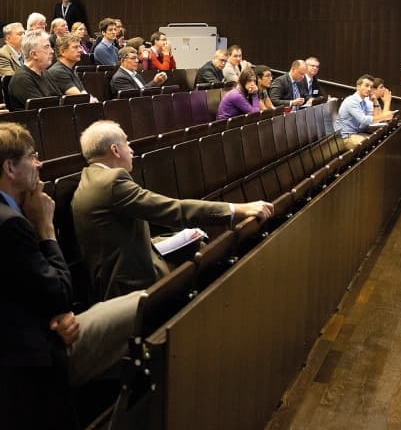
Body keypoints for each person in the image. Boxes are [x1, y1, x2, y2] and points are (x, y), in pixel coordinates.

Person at [0, 122, 140, 430]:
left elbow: (29, 290)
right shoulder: (7, 222)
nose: (39, 164)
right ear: (9, 167)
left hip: (25, 338)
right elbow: (60, 291)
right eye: (32, 157)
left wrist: (56, 313)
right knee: (147, 305)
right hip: (26, 362)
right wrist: (46, 226)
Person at [73, 120, 273, 301]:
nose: (132, 150)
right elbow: (173, 210)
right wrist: (237, 209)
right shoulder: (111, 182)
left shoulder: (92, 178)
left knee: (198, 244)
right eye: (128, 143)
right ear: (115, 150)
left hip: (126, 267)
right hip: (129, 285)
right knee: (213, 264)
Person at [6, 30, 60, 110]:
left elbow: (60, 100)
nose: (52, 51)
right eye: (47, 47)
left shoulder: (45, 73)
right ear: (34, 54)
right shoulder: (21, 79)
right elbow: (42, 110)